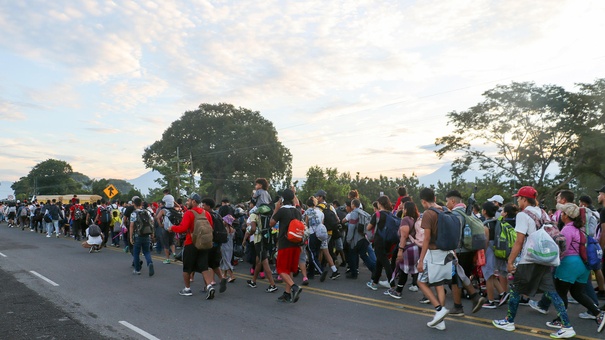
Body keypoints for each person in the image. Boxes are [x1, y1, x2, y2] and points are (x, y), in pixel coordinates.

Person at [492, 186, 576, 339]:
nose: (517, 200)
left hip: (529, 258)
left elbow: (519, 241)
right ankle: (567, 326)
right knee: (551, 292)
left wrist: (510, 261)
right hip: (544, 257)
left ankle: (509, 321)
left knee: (516, 289)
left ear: (525, 199)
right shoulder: (542, 212)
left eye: (519, 198)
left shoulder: (523, 215)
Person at [545, 203, 605, 332]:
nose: (561, 214)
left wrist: (552, 262)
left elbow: (563, 249)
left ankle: (561, 320)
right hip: (584, 265)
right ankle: (599, 314)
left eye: (562, 213)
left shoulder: (567, 229)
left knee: (561, 293)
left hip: (570, 264)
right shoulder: (582, 228)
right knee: (578, 293)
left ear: (565, 215)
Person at [416, 188, 453, 331]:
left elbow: (426, 238)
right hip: (446, 251)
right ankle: (440, 321)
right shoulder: (444, 210)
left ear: (423, 201)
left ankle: (439, 309)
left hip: (433, 253)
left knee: (421, 281)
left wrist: (420, 260)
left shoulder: (428, 214)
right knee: (439, 283)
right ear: (435, 197)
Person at [270, 188, 303, 303]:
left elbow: (271, 223)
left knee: (281, 269)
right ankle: (287, 294)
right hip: (296, 244)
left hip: (285, 244)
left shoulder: (282, 211)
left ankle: (294, 287)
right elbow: (297, 203)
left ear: (282, 199)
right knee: (289, 270)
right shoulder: (297, 211)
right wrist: (294, 193)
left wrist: (276, 209)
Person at [386, 201, 420, 299]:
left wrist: (400, 250)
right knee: (409, 270)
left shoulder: (406, 219)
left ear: (406, 209)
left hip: (407, 248)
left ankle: (398, 291)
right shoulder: (415, 219)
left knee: (403, 270)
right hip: (414, 248)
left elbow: (404, 236)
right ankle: (399, 289)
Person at [366, 195, 395, 290]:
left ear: (380, 204)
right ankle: (374, 282)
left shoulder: (377, 214)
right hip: (388, 240)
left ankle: (392, 283)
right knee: (380, 261)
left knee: (385, 261)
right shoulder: (390, 214)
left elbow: (369, 227)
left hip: (379, 240)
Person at [129, 197, 155, 277]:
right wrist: (152, 233)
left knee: (136, 253)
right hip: (146, 234)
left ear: (134, 204)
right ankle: (149, 262)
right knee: (146, 251)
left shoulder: (134, 213)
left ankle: (137, 270)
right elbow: (152, 222)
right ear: (141, 204)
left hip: (138, 235)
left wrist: (130, 237)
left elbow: (132, 225)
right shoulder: (147, 212)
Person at [220, 214, 236, 282]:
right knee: (226, 259)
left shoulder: (225, 229)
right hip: (230, 246)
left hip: (224, 246)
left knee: (226, 260)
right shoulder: (232, 229)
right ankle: (225, 274)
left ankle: (232, 275)